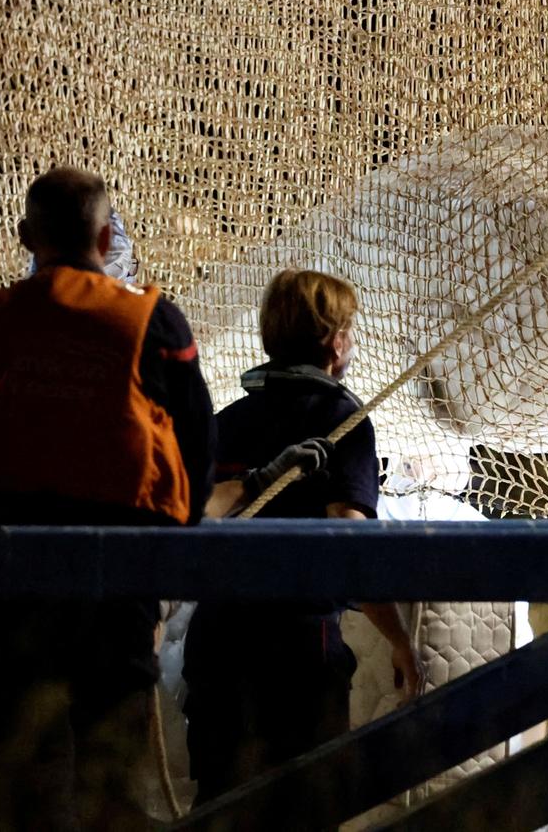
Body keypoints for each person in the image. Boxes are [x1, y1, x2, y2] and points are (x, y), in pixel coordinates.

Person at [0, 166, 214, 832]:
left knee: (22, 775)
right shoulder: (155, 321)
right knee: (111, 780)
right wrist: (177, 550)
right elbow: (198, 441)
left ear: (24, 235)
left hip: (11, 582)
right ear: (107, 237)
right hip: (120, 585)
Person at [184, 269, 425, 804]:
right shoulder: (345, 421)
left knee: (219, 808)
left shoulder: (227, 421)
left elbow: (189, 521)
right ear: (337, 342)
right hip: (294, 652)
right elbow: (349, 538)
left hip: (217, 646)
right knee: (301, 809)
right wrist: (400, 640)